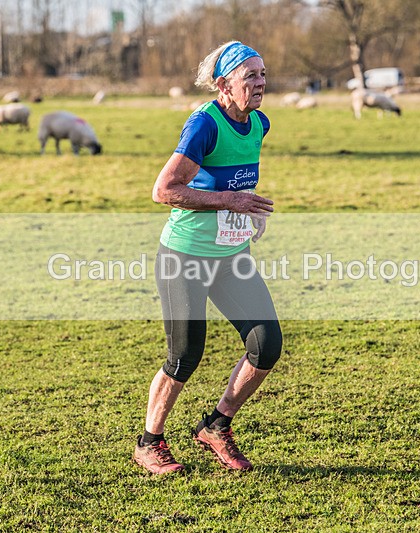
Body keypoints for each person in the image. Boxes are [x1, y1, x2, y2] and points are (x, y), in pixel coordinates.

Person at [132, 41, 282, 474]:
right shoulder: (204, 124)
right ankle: (149, 443)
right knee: (184, 355)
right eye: (249, 76)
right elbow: (164, 190)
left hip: (231, 255)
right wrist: (229, 202)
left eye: (263, 74)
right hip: (185, 255)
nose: (260, 83)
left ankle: (216, 426)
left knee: (266, 345)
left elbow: (235, 177)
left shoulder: (259, 123)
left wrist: (248, 209)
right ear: (223, 85)